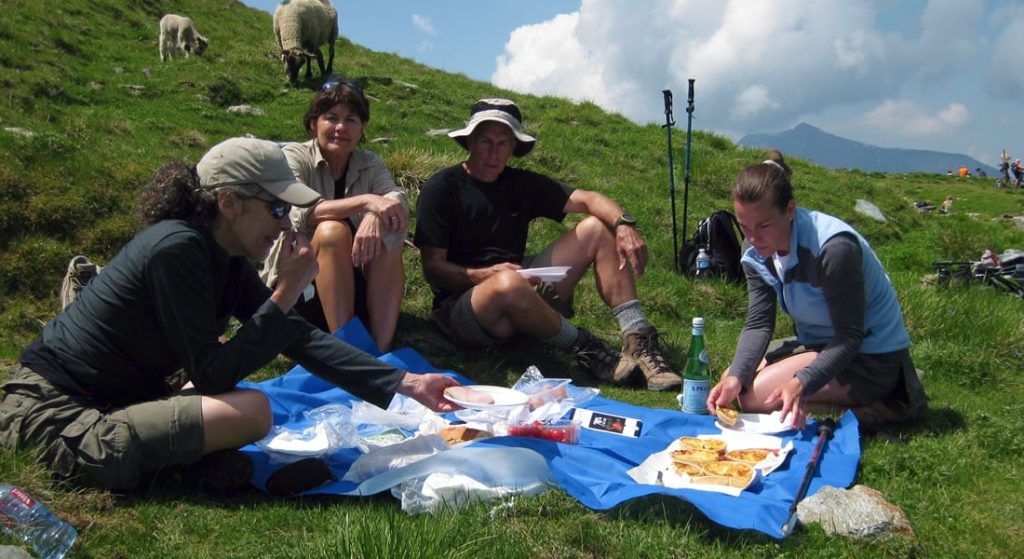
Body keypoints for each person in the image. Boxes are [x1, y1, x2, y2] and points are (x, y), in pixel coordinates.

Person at [0, 138, 458, 493]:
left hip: (118, 395)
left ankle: (186, 463)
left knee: (226, 403)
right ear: (228, 203)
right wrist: (287, 290)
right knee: (252, 409)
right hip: (49, 410)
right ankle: (178, 468)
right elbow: (215, 372)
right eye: (277, 208)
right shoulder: (176, 249)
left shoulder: (225, 256)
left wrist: (407, 385)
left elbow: (293, 336)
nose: (285, 222)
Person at [414, 98, 681, 391]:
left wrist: (623, 224)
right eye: (485, 141)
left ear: (513, 148)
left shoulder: (520, 183)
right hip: (464, 305)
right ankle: (586, 347)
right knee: (507, 283)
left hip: (519, 285)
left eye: (503, 143)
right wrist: (482, 276)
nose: (493, 152)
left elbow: (589, 199)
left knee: (597, 228)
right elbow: (433, 269)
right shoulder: (441, 188)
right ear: (470, 142)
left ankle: (638, 340)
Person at [706, 150, 927, 428]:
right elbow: (759, 322)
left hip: (869, 357)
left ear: (789, 210)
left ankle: (883, 406)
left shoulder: (833, 250)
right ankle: (816, 401)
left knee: (753, 400)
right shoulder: (753, 248)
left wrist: (803, 382)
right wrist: (736, 375)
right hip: (818, 345)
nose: (753, 237)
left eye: (763, 225)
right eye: (744, 226)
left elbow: (850, 337)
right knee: (736, 385)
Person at [262, 78, 407, 351]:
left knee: (390, 229)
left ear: (362, 127)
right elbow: (302, 210)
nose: (341, 128)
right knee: (332, 231)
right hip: (299, 287)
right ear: (313, 123)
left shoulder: (370, 163)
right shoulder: (294, 156)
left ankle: (381, 351)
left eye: (351, 120)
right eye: (331, 118)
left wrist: (376, 215)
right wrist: (367, 202)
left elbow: (395, 200)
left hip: (352, 286)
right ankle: (348, 354)